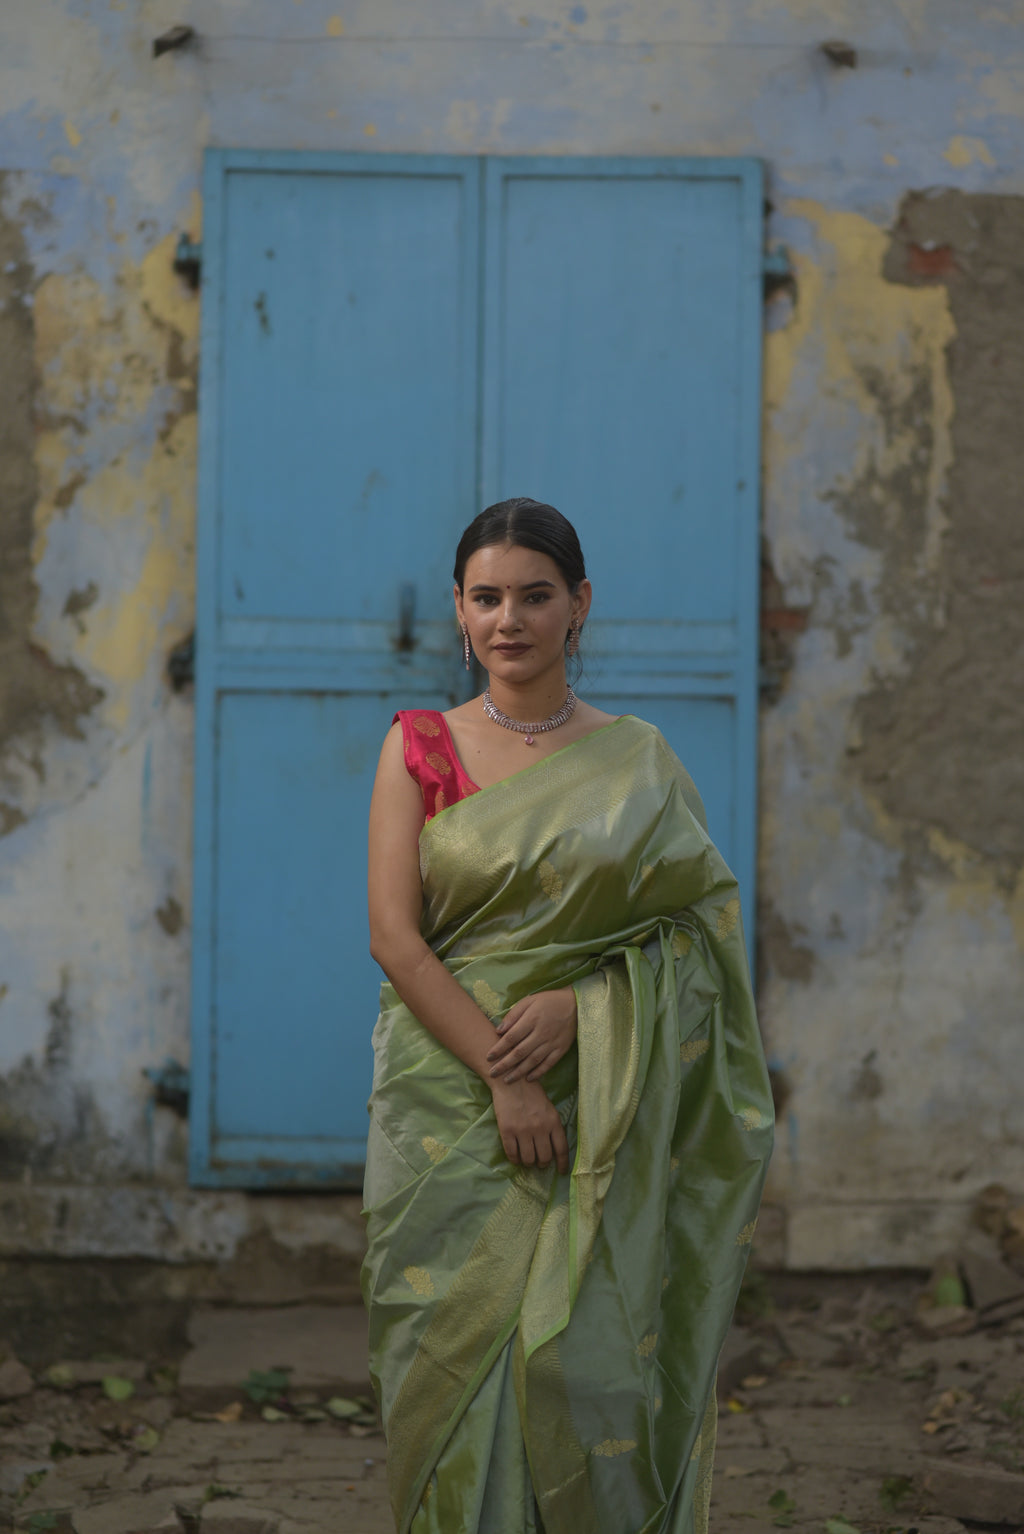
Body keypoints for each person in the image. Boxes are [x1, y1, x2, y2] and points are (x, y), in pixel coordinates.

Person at [363, 498, 773, 1534]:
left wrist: (587, 1006)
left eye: (535, 595)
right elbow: (395, 938)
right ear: (458, 610)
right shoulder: (419, 747)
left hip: (602, 1098)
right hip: (444, 1107)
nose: (510, 619)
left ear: (578, 605)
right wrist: (502, 1074)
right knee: (446, 1361)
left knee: (586, 1360)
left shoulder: (636, 760)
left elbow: (700, 937)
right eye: (487, 596)